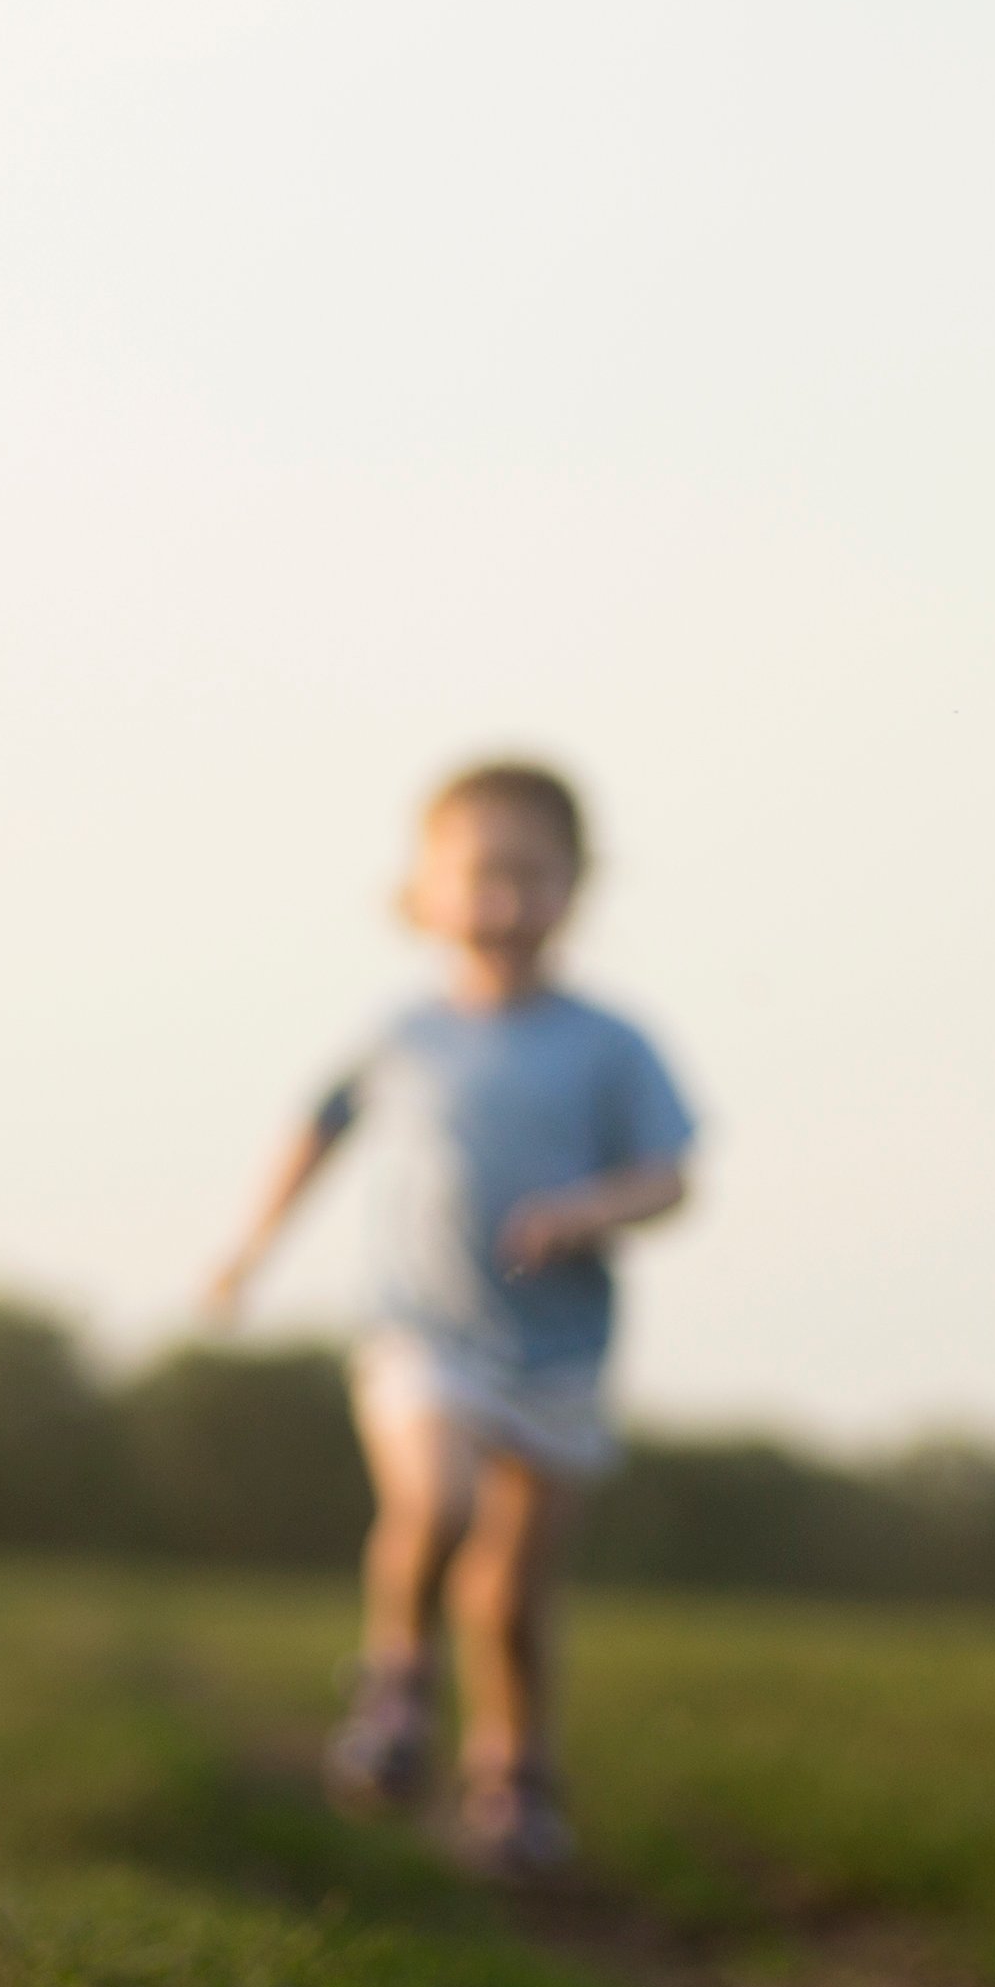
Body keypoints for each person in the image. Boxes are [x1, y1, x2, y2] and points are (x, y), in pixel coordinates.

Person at [201, 761, 698, 1878]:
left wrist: (590, 1206)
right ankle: (396, 1683)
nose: (505, 901)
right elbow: (315, 1132)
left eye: (534, 875)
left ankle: (513, 1776)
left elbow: (673, 1175)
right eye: (481, 874)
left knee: (516, 1595)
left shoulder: (610, 1042)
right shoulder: (404, 1034)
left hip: (560, 1350)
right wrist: (248, 1251)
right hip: (419, 1327)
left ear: (577, 889)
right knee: (438, 1497)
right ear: (421, 890)